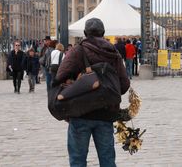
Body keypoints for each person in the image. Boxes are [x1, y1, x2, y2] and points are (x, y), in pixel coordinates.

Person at [53, 18, 130, 167]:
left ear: (85, 33)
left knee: (78, 160)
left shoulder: (78, 51)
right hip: (105, 113)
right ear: (103, 33)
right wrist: (106, 93)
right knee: (107, 160)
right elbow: (124, 84)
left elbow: (59, 77)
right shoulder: (113, 53)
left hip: (80, 112)